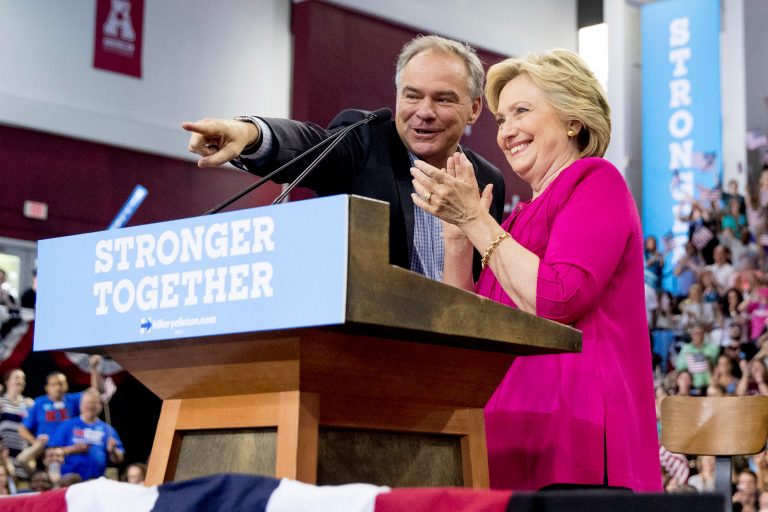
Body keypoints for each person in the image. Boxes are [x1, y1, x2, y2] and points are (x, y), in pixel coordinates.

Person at [410, 49, 660, 490]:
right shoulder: (514, 220)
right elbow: (468, 332)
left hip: (573, 439)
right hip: (507, 436)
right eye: (501, 119)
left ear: (573, 119)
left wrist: (475, 221)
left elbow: (558, 298)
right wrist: (456, 238)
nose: (506, 132)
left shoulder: (596, 181)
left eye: (521, 111)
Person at [183, 35, 506, 280]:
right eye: (412, 95)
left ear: (474, 108)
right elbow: (309, 144)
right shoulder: (363, 141)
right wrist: (249, 134)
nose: (424, 112)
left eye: (443, 99)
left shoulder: (488, 181)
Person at [17, 355, 104, 462]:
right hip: (45, 451)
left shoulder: (72, 400)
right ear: (47, 388)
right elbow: (22, 428)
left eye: (61, 384)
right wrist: (35, 442)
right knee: (23, 462)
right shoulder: (39, 403)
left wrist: (94, 369)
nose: (58, 387)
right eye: (54, 384)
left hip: (69, 450)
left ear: (66, 386)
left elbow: (94, 392)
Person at [48, 389, 124, 481]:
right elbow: (50, 453)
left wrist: (113, 451)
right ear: (80, 405)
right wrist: (72, 449)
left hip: (95, 480)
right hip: (68, 480)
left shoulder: (108, 429)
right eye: (87, 402)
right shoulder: (67, 425)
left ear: (100, 406)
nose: (90, 406)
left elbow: (118, 459)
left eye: (94, 403)